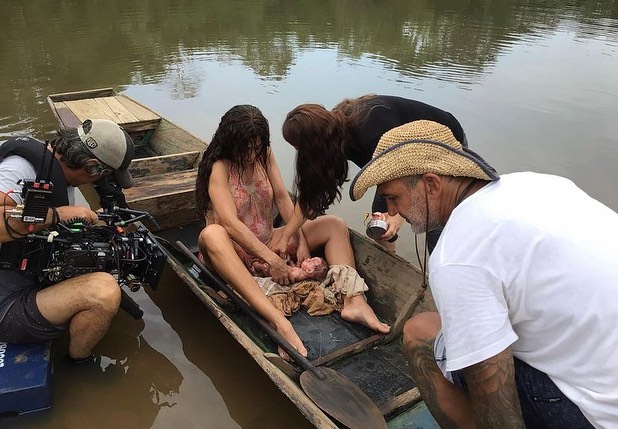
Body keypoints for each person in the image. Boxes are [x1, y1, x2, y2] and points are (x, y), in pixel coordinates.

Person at [349, 120, 618, 428]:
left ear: (432, 184)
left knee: (419, 332)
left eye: (393, 197)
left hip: (597, 418)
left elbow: (495, 398)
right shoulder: (537, 183)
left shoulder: (458, 254)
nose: (392, 211)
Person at [195, 105, 390, 359]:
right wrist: (272, 259)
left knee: (334, 224)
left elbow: (282, 198)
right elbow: (230, 224)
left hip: (266, 239)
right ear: (229, 142)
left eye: (256, 147)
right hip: (233, 251)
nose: (252, 155)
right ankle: (279, 322)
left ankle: (354, 301)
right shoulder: (218, 167)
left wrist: (298, 241)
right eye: (245, 149)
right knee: (212, 234)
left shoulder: (264, 154)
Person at [0, 118, 135, 363]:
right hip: (5, 301)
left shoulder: (55, 170)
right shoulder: (19, 168)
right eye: (102, 176)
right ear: (92, 167)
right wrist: (57, 214)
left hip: (23, 277)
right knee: (103, 292)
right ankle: (80, 364)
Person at [274, 94, 466, 254]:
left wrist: (397, 217)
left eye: (303, 149)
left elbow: (413, 177)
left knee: (435, 225)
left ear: (316, 143)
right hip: (395, 162)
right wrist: (285, 236)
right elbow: (311, 196)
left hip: (442, 146)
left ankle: (442, 272)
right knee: (378, 224)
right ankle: (392, 261)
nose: (303, 155)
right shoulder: (331, 137)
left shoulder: (372, 133)